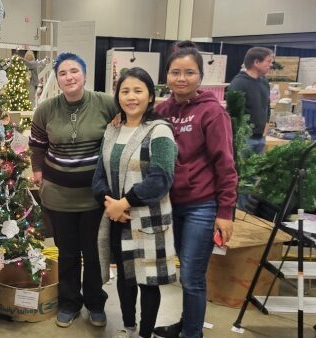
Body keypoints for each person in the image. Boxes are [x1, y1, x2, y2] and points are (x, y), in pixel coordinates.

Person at [152, 41, 238, 338]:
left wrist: (225, 212)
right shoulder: (162, 110)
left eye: (189, 72)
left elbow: (225, 164)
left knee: (192, 276)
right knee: (182, 273)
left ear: (200, 77)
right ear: (167, 76)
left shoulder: (212, 113)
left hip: (201, 206)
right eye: (176, 72)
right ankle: (186, 325)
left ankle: (192, 334)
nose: (182, 78)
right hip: (170, 204)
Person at [29, 52, 117, 328]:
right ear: (57, 79)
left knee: (93, 253)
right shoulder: (46, 109)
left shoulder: (105, 103)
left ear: (85, 75)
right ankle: (69, 302)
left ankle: (95, 303)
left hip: (94, 196)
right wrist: (38, 171)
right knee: (66, 253)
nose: (69, 77)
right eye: (63, 73)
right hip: (58, 196)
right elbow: (37, 144)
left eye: (74, 71)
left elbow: (126, 126)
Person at [92, 67, 178, 338]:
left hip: (147, 220)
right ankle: (128, 326)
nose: (131, 97)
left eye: (138, 91)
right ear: (117, 96)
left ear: (150, 96)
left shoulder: (159, 131)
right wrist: (109, 205)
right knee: (126, 277)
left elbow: (161, 177)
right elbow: (100, 172)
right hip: (118, 218)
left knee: (148, 281)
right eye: (125, 91)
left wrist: (124, 203)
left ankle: (145, 333)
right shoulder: (113, 129)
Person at [228, 47, 274, 155]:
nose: (271, 64)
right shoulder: (238, 84)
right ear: (256, 62)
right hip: (243, 140)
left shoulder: (264, 82)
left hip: (260, 138)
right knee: (241, 171)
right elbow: (232, 115)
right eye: (268, 61)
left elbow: (266, 107)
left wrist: (264, 131)